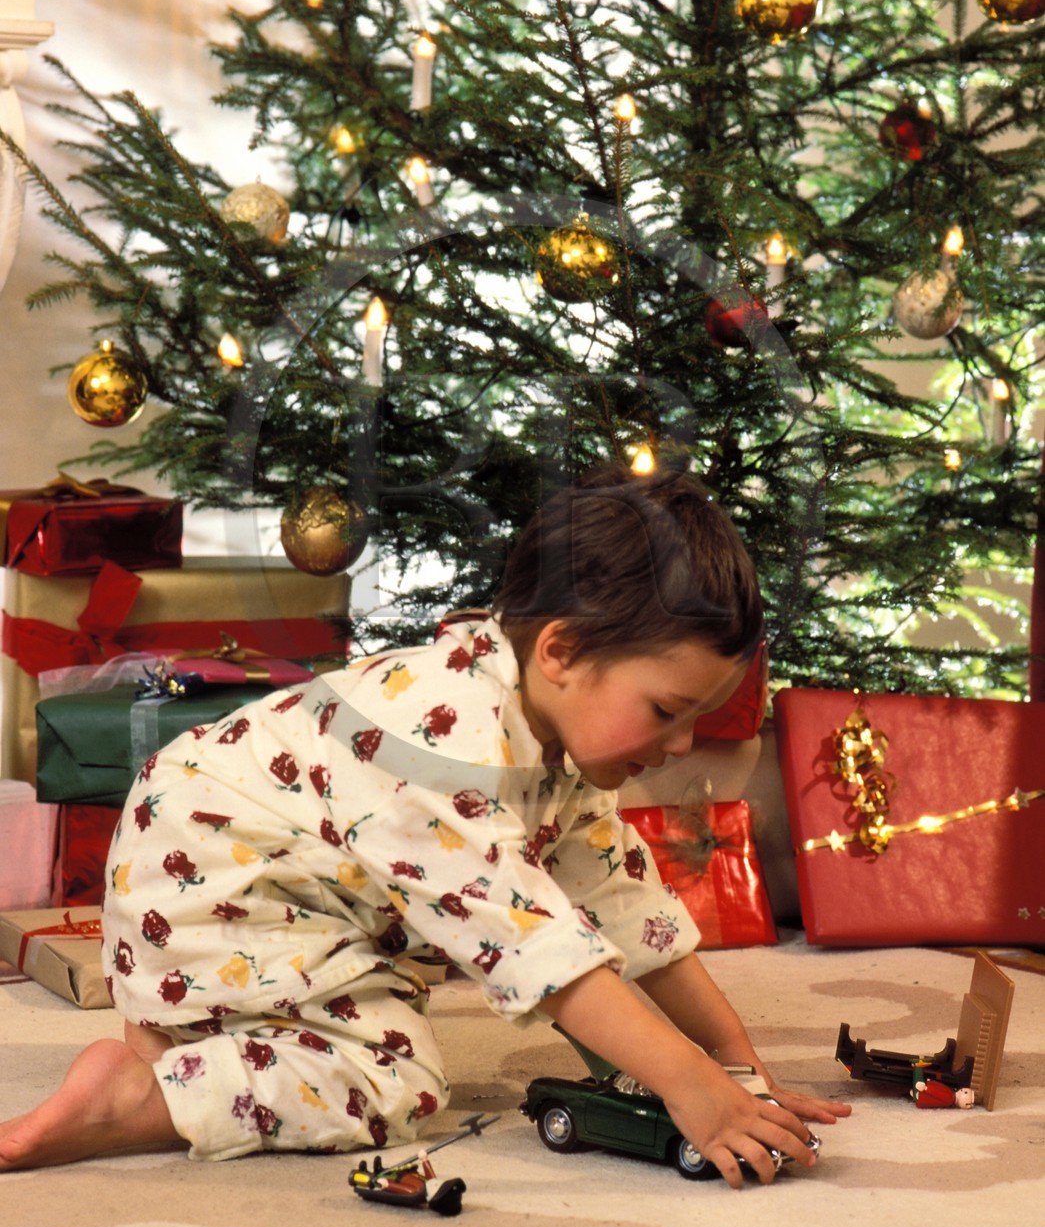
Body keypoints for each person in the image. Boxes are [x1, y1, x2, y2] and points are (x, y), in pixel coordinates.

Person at [0, 464, 849, 1187]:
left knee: (401, 1012)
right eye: (665, 709)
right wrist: (690, 1088)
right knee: (396, 1078)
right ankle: (138, 1096)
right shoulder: (450, 747)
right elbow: (541, 956)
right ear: (560, 652)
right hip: (218, 883)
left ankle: (192, 1039)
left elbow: (625, 914)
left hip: (259, 878)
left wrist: (738, 1069)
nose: (682, 743)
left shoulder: (549, 731)